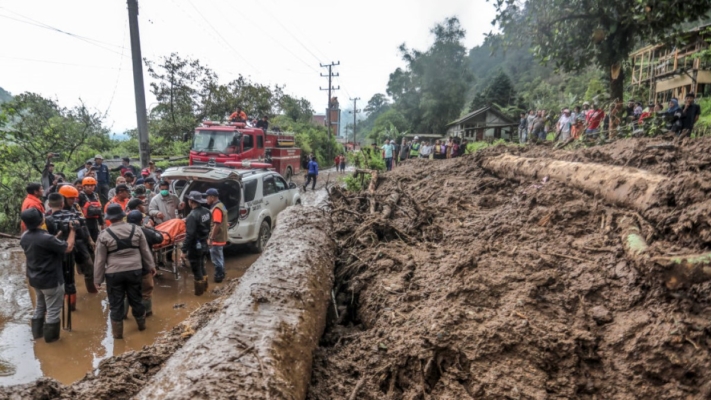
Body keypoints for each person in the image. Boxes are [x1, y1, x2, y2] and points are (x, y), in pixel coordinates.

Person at [94, 204, 155, 339]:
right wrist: (151, 266)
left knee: (116, 303)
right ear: (123, 216)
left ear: (109, 218)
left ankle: (118, 337)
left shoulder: (104, 235)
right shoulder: (136, 230)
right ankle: (142, 328)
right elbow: (145, 251)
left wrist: (97, 279)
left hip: (114, 273)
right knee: (136, 299)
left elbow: (99, 260)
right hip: (135, 270)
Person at [20, 208, 75, 343]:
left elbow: (42, 244)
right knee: (53, 311)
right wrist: (73, 231)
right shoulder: (47, 238)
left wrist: (58, 235)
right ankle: (52, 343)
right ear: (42, 220)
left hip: (35, 279)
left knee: (39, 307)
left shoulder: (24, 237)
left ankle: (37, 337)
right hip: (51, 280)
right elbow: (68, 248)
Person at [59, 185, 97, 296]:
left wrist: (89, 239)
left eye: (74, 198)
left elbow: (83, 224)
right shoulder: (58, 211)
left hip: (80, 241)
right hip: (66, 243)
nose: (72, 200)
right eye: (70, 198)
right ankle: (70, 294)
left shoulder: (75, 207)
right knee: (68, 271)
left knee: (90, 265)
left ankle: (92, 290)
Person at [126, 210, 161, 317]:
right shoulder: (145, 232)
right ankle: (147, 315)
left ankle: (122, 316)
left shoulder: (119, 232)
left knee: (126, 293)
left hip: (125, 268)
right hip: (143, 268)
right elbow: (159, 238)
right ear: (141, 221)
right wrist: (150, 227)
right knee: (146, 293)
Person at [181, 192, 211, 296]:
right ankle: (206, 287)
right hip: (204, 243)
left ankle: (199, 293)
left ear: (191, 201)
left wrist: (184, 250)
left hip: (195, 246)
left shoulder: (192, 216)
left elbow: (190, 235)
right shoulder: (207, 211)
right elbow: (208, 226)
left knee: (196, 268)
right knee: (202, 265)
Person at [205, 188, 227, 283]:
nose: (206, 199)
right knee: (220, 256)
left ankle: (219, 276)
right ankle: (222, 273)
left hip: (217, 239)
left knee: (216, 259)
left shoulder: (216, 209)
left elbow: (216, 224)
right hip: (221, 236)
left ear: (212, 197)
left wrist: (211, 238)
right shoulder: (221, 205)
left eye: (207, 197)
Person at [79, 177, 104, 242]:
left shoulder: (96, 195)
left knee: (95, 237)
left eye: (92, 185)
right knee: (86, 238)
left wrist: (102, 223)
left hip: (94, 221)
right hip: (85, 221)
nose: (90, 187)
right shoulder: (80, 195)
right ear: (84, 186)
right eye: (88, 185)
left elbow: (99, 209)